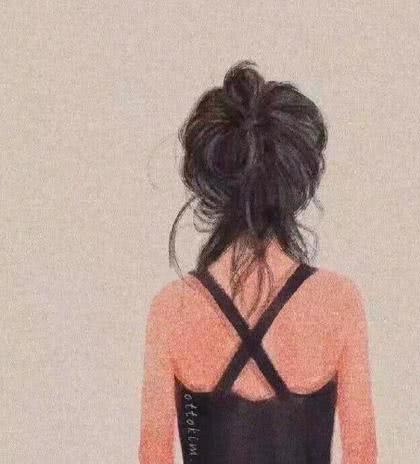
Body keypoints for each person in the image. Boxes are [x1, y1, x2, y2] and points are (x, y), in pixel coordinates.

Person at [138, 60, 378, 463]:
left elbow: (152, 457)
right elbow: (363, 455)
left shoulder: (172, 309)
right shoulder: (338, 301)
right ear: (296, 181)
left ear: (210, 180)